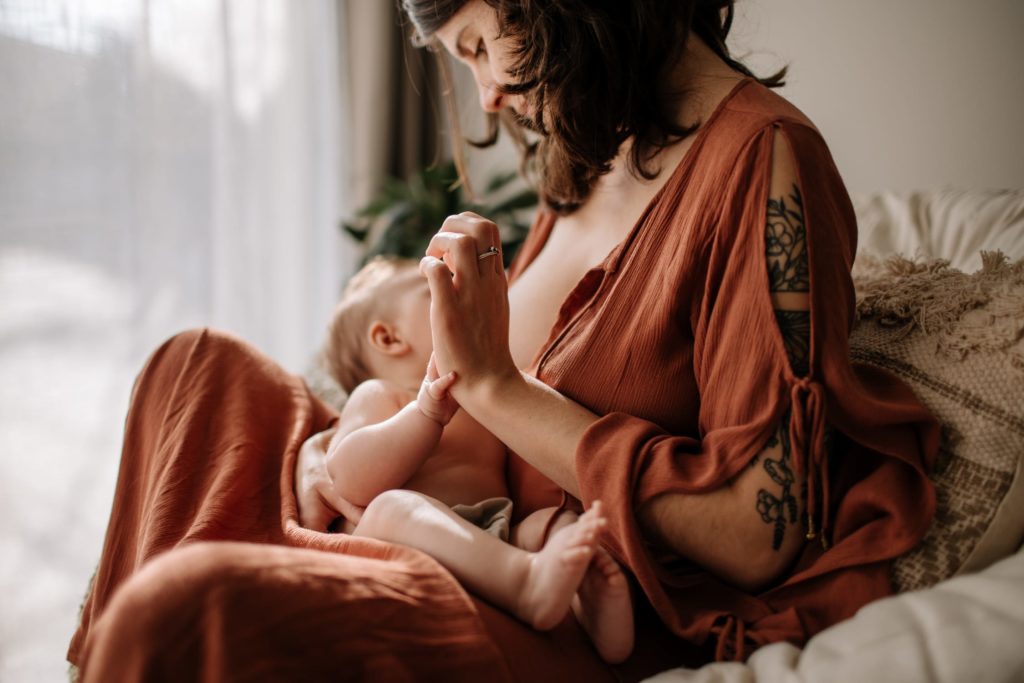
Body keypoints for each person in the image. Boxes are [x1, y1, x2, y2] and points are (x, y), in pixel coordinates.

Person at [68, 1, 939, 680]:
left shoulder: (764, 161)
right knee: (197, 363)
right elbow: (460, 400)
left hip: (546, 587)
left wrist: (495, 390)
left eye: (481, 42)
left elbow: (761, 532)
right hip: (430, 517)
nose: (486, 94)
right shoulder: (587, 154)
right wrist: (340, 449)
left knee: (180, 608)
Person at [312, 255, 633, 663]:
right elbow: (350, 478)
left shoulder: (485, 393)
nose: (458, 294)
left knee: (555, 527)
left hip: (494, 531)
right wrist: (423, 413)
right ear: (389, 339)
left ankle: (594, 615)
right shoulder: (382, 394)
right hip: (404, 538)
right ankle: (525, 583)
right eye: (435, 290)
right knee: (394, 507)